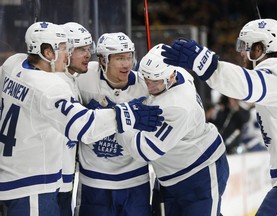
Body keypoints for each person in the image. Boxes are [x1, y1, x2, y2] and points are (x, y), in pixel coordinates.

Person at [0, 21, 164, 216]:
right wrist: (126, 114)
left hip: (20, 175)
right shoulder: (51, 86)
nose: (67, 54)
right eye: (63, 48)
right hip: (33, 182)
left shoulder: (13, 64)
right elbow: (82, 127)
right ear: (47, 52)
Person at [161, 18, 277, 215]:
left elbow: (247, 86)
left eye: (244, 46)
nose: (240, 52)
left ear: (259, 48)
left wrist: (208, 65)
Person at [117, 44, 229, 216]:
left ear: (170, 77)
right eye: (146, 79)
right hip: (171, 176)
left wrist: (121, 121)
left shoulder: (178, 106)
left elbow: (145, 150)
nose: (149, 85)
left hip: (201, 172)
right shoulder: (178, 73)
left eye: (155, 80)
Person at [75, 32, 152, 216]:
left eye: (129, 57)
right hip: (94, 182)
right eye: (119, 58)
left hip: (135, 181)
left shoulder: (145, 85)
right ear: (103, 60)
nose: (127, 64)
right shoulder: (83, 79)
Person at [57, 22, 95, 216]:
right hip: (49, 181)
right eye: (81, 49)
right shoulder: (56, 84)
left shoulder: (70, 78)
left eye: (89, 48)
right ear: (65, 50)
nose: (88, 54)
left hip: (64, 176)